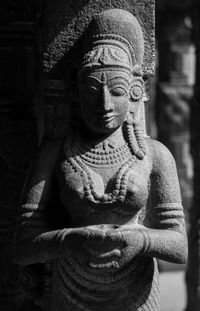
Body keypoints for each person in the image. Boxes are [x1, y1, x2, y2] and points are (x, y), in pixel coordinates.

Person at [14, 9, 188, 311]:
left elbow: (179, 246)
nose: (105, 104)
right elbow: (23, 245)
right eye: (93, 90)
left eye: (117, 91)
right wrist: (69, 240)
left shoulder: (155, 155)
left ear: (135, 92)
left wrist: (141, 240)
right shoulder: (55, 152)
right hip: (69, 288)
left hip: (138, 291)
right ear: (75, 93)